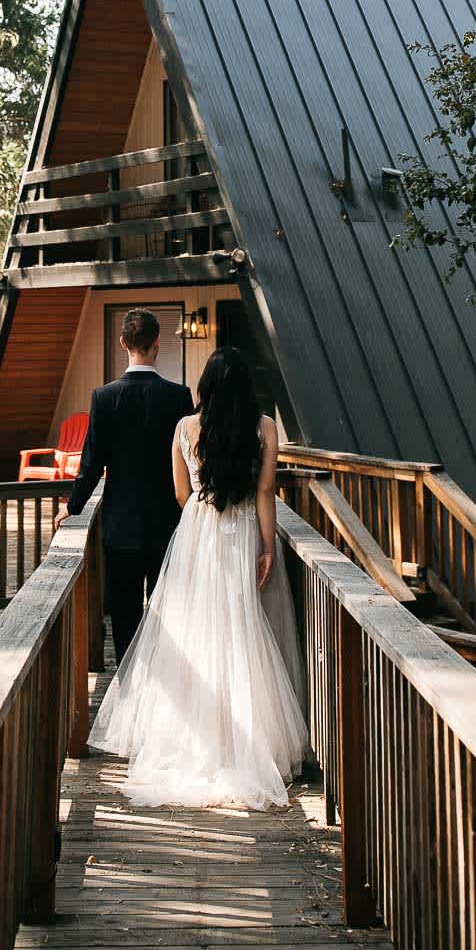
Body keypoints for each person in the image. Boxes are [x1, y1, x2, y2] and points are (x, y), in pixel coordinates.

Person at [89, 345, 308, 809]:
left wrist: (203, 520)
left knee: (195, 630)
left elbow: (181, 491)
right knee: (241, 627)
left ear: (205, 386)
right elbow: (266, 490)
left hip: (200, 530)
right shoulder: (264, 427)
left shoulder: (186, 427)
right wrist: (267, 547)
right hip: (244, 529)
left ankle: (189, 739)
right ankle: (247, 743)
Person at [56, 308, 193, 664]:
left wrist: (72, 507)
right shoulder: (179, 397)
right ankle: (169, 669)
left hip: (121, 524)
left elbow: (91, 462)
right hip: (169, 522)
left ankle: (129, 677)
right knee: (169, 604)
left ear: (122, 343)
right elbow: (191, 460)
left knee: (125, 611)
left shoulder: (104, 397)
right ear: (157, 343)